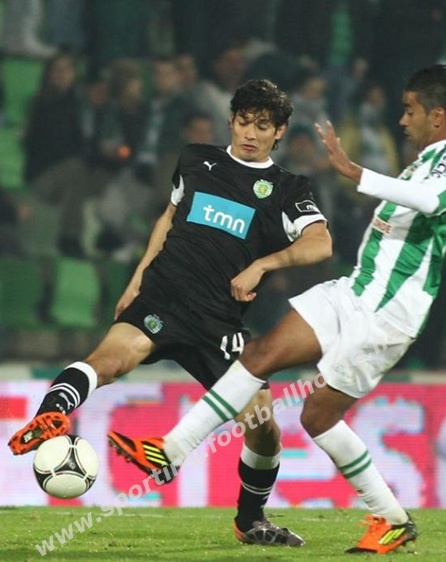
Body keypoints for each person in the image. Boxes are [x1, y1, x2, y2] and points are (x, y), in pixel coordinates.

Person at [107, 63, 446, 554]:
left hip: (386, 313)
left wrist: (358, 174)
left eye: (410, 110)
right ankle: (171, 451)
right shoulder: (426, 160)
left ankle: (391, 518)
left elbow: (432, 201)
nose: (402, 120)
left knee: (317, 416)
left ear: (438, 115)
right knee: (259, 357)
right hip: (356, 292)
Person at [8, 79, 332, 546]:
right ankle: (51, 415)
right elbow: (169, 216)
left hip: (219, 323)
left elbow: (321, 243)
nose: (251, 133)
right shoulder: (195, 159)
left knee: (264, 432)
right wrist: (138, 277)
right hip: (163, 299)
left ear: (279, 131)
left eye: (263, 126)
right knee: (108, 361)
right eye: (244, 122)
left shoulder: (287, 189)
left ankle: (250, 521)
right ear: (230, 120)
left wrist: (264, 264)